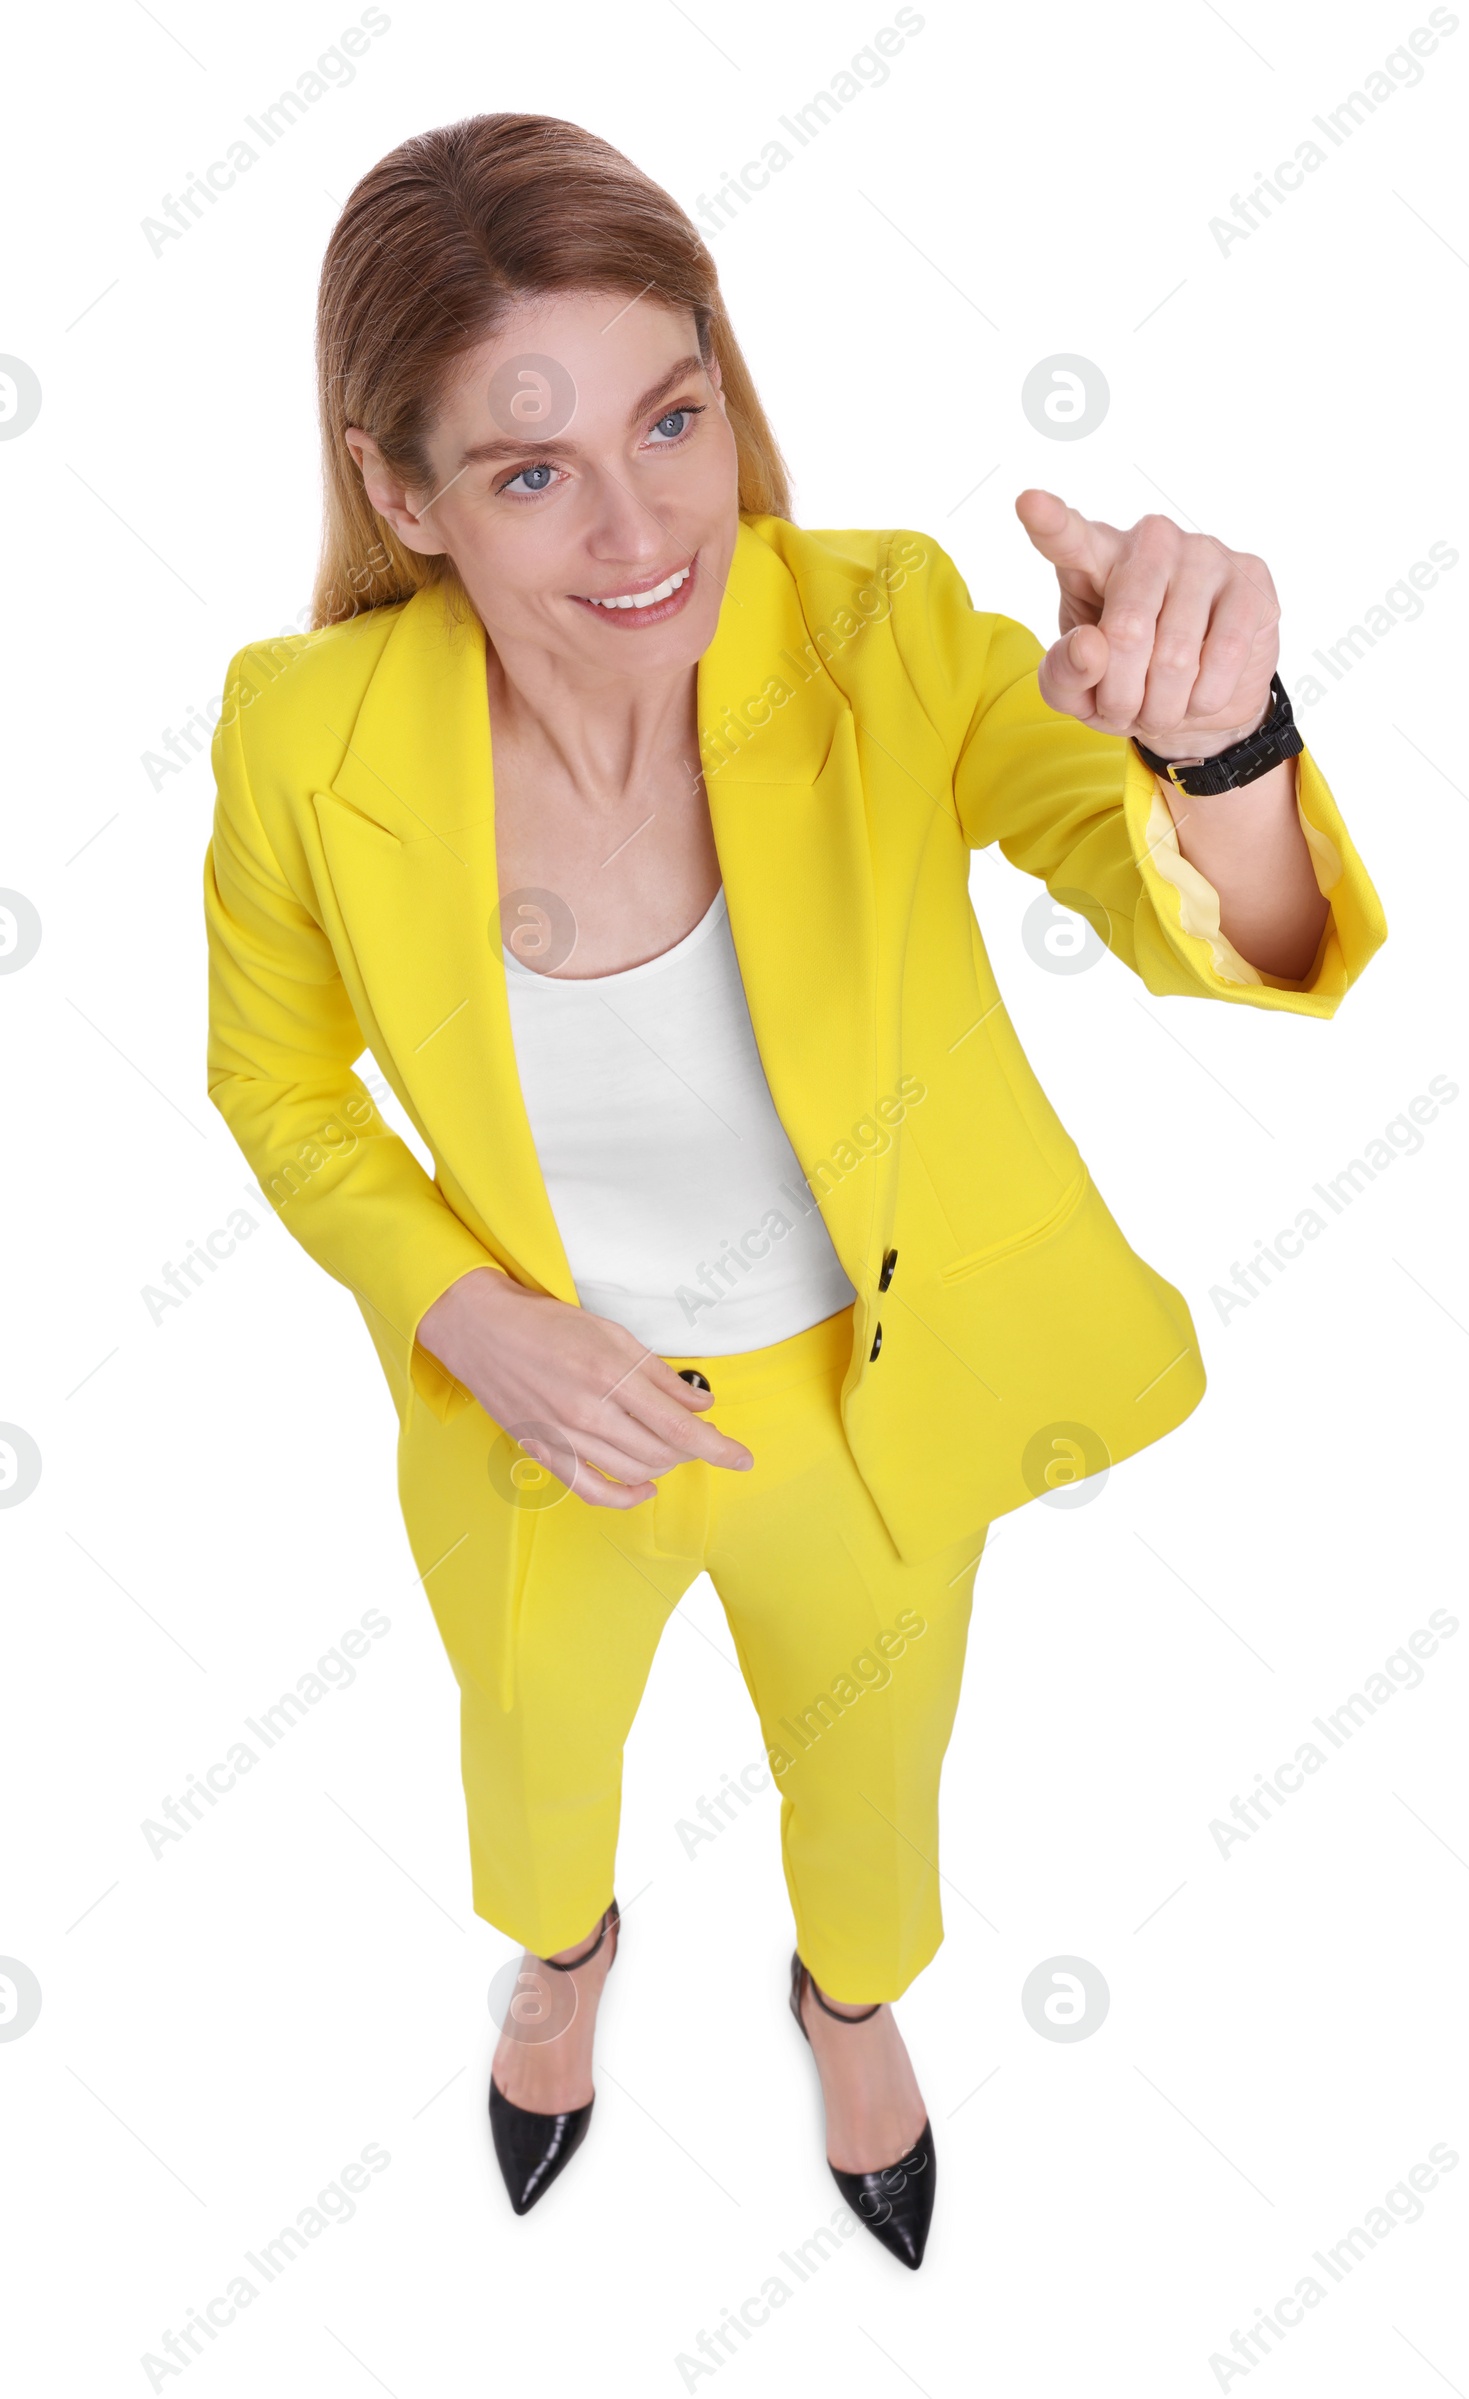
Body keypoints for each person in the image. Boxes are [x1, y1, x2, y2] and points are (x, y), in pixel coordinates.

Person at [203, 112, 1384, 2270]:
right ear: (401, 495)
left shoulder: (877, 632)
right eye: (529, 468)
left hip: (859, 1404)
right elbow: (276, 1083)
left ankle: (846, 2001)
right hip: (537, 1428)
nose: (649, 524)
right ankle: (557, 1975)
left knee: (870, 1782)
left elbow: (1215, 926)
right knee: (535, 1771)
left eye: (674, 415)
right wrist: (476, 1318)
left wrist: (1217, 750)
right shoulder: (303, 737)